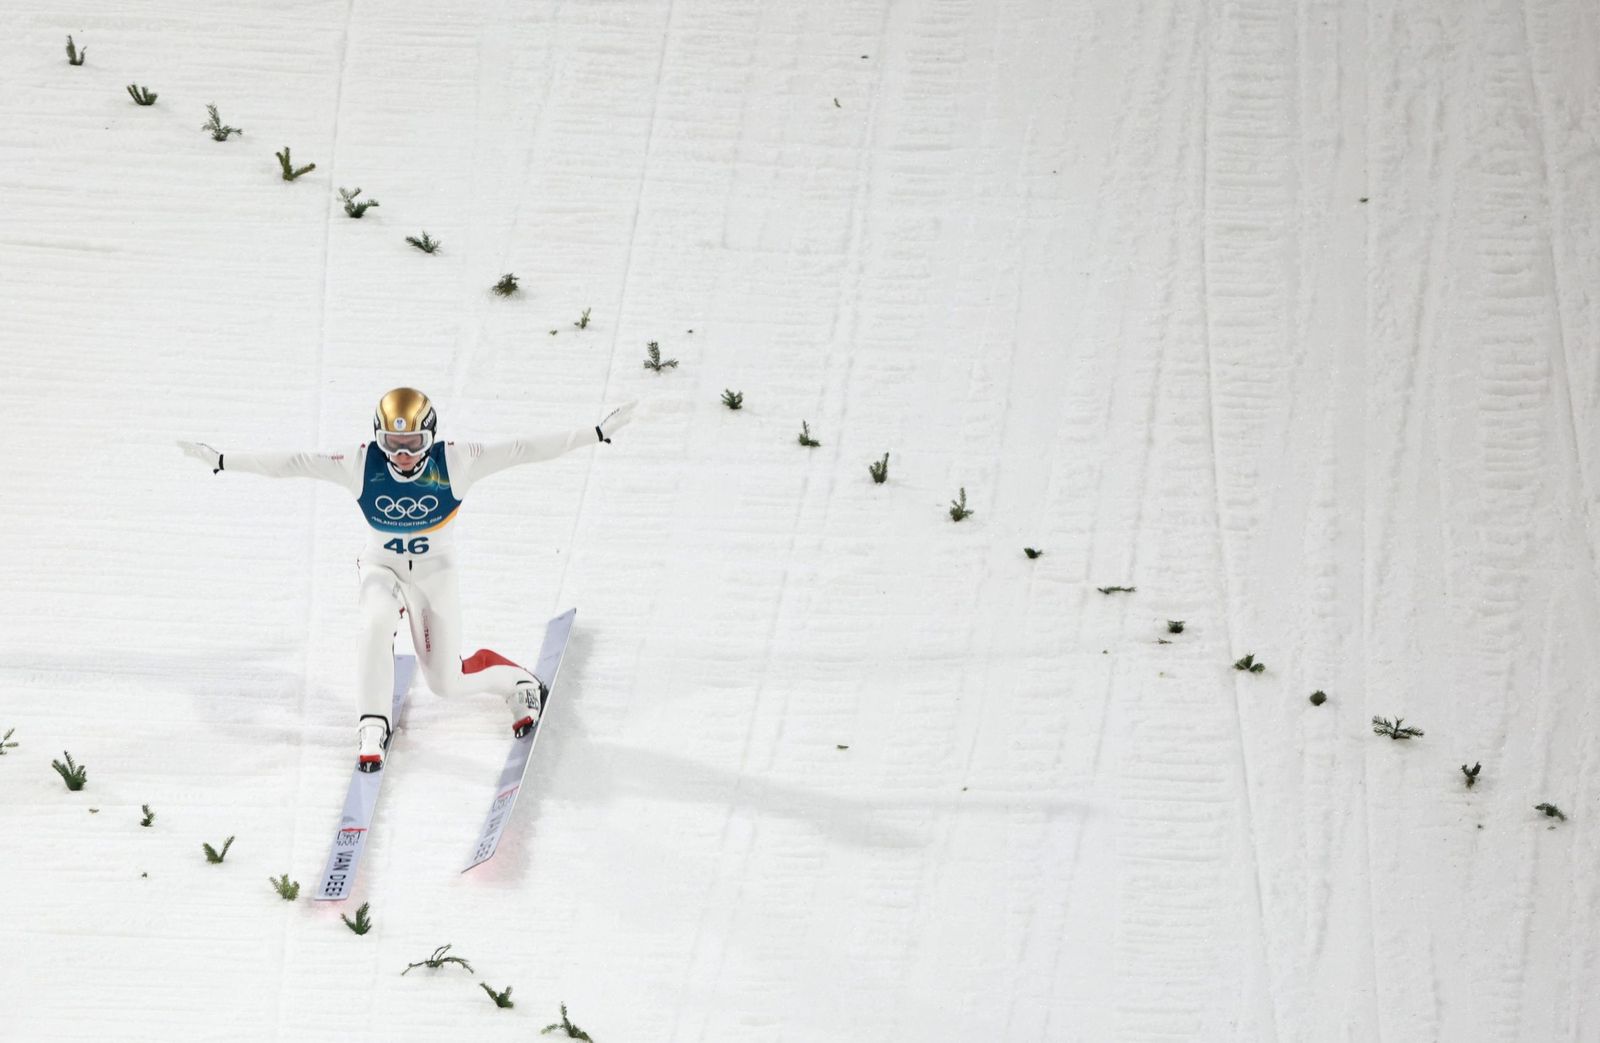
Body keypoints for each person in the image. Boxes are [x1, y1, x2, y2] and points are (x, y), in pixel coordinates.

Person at [179, 387, 634, 772]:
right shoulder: (360, 463)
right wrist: (223, 460)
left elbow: (524, 450)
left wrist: (595, 434)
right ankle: (372, 724)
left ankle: (517, 682)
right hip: (382, 567)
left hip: (435, 576)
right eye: (391, 444)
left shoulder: (457, 461)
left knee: (446, 684)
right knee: (374, 622)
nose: (402, 455)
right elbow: (294, 462)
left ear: (430, 437)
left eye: (414, 443)